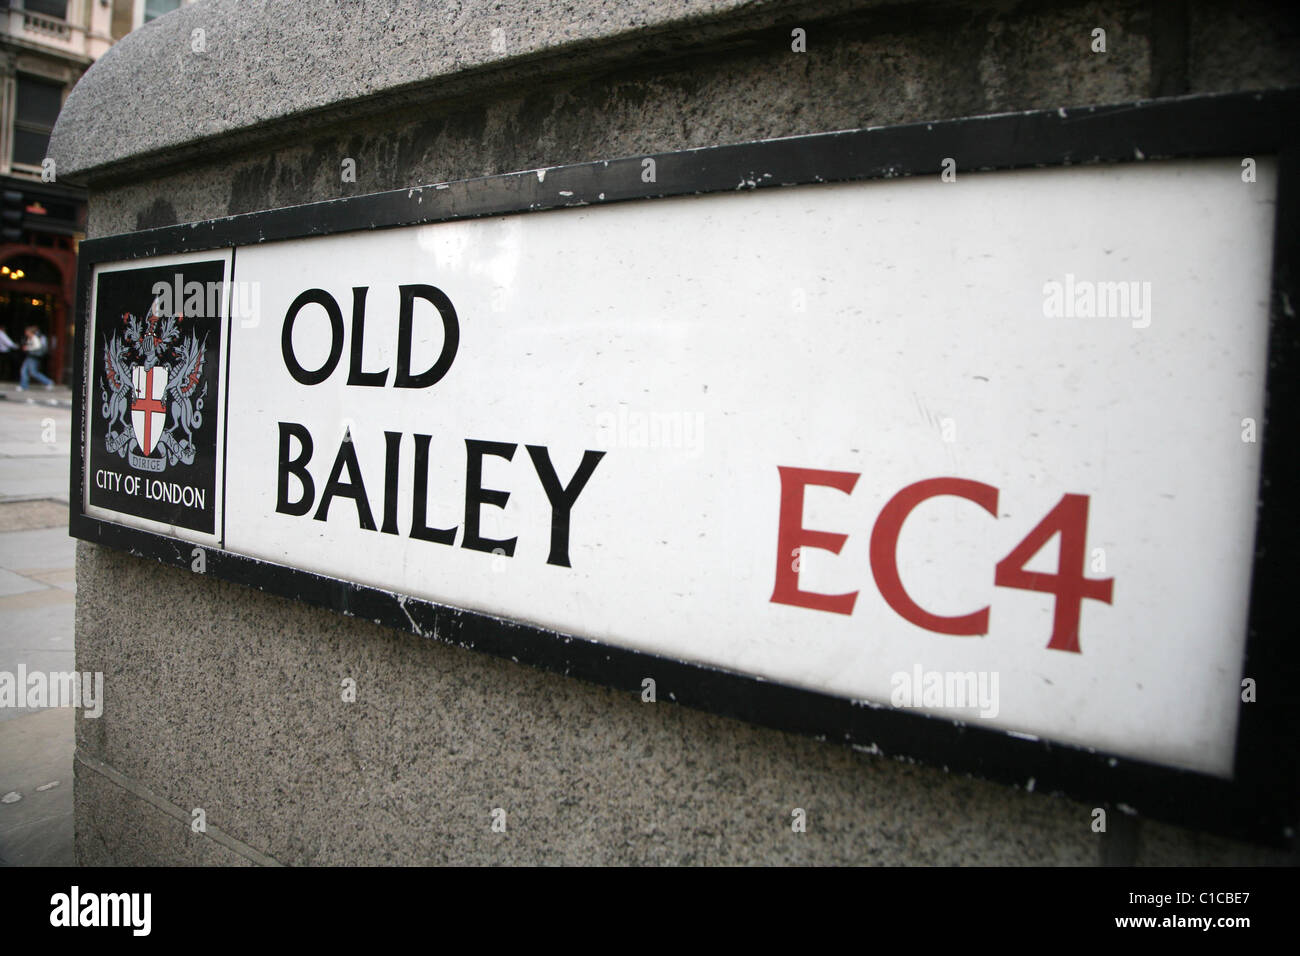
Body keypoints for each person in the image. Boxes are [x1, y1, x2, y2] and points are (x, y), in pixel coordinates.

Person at [18, 325, 54, 390]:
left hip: (33, 357)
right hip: (30, 356)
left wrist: (28, 348)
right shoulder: (30, 338)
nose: (25, 333)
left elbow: (37, 347)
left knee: (33, 372)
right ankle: (24, 385)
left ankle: (48, 382)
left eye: (26, 332)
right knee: (24, 370)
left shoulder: (35, 338)